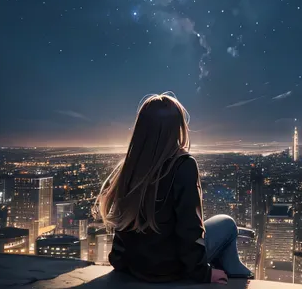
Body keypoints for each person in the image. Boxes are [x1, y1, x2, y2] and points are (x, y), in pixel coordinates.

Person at [94, 92, 253, 284]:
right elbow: (190, 228)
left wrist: (120, 260)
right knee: (227, 224)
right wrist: (202, 273)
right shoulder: (183, 165)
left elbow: (122, 224)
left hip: (136, 267)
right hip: (170, 269)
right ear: (177, 128)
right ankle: (237, 276)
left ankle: (232, 272)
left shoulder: (129, 166)